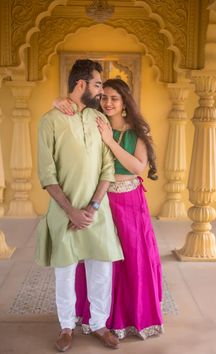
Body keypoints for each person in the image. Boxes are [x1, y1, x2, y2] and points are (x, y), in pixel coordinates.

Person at [54, 78, 164, 340]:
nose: (108, 102)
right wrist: (56, 102)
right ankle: (97, 317)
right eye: (104, 97)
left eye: (114, 98)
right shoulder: (92, 122)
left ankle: (130, 318)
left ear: (125, 102)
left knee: (132, 258)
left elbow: (139, 168)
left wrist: (109, 140)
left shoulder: (138, 131)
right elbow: (67, 109)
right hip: (99, 199)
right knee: (98, 259)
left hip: (130, 201)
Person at [35, 60, 124, 352]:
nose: (101, 91)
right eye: (98, 84)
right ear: (81, 85)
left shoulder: (99, 120)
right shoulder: (50, 120)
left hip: (97, 211)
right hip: (64, 212)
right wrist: (71, 211)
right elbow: (47, 174)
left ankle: (99, 324)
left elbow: (107, 169)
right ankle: (66, 326)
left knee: (102, 269)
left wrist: (94, 206)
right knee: (65, 270)